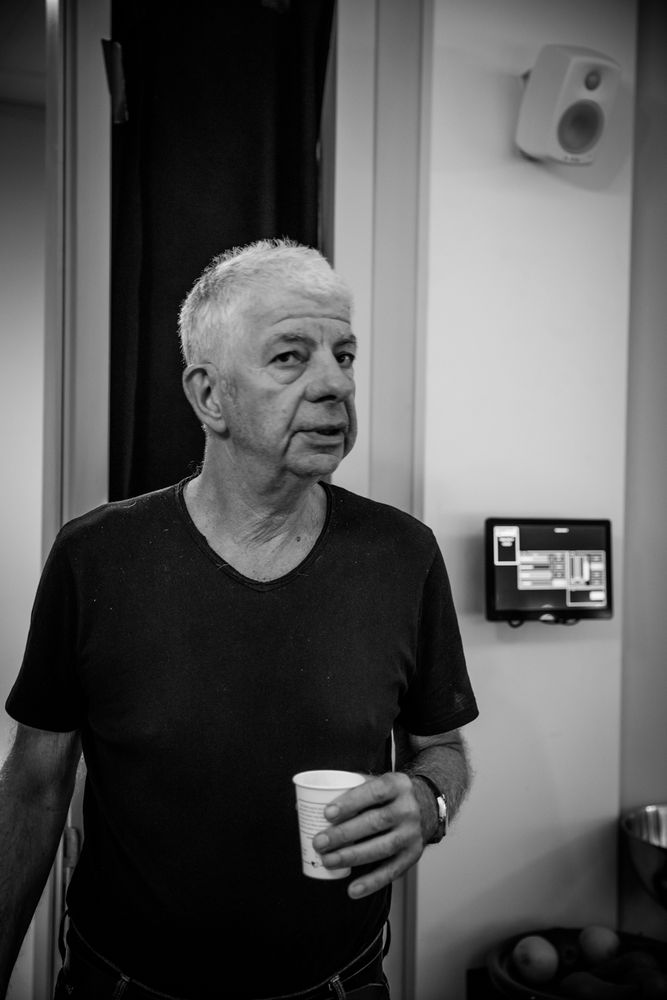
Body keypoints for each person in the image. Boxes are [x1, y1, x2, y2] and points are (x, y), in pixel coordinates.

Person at [0, 239, 478, 1000]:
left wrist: (430, 801)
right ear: (209, 396)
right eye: (291, 357)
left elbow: (441, 746)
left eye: (345, 355)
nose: (334, 384)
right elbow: (33, 787)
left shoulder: (402, 554)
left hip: (341, 985)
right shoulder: (96, 557)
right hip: (123, 984)